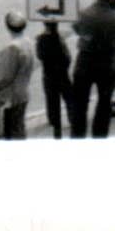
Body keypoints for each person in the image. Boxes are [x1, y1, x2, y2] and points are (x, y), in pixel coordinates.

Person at [69, 0, 115, 139]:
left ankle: (77, 135)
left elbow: (77, 28)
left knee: (80, 102)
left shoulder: (84, 14)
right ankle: (99, 136)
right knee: (104, 102)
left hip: (85, 59)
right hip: (106, 61)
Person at [0, 10, 35, 140]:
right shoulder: (28, 42)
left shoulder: (12, 48)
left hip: (11, 99)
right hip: (23, 93)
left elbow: (4, 77)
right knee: (19, 129)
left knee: (10, 133)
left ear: (7, 26)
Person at [34, 10, 74, 139]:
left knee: (51, 100)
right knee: (68, 97)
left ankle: (54, 122)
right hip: (62, 73)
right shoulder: (60, 39)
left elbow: (40, 55)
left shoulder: (41, 39)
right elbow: (68, 57)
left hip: (49, 74)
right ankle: (72, 118)